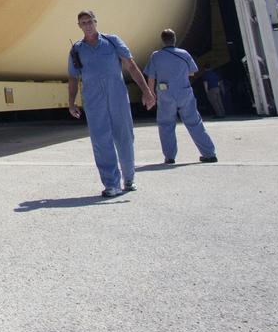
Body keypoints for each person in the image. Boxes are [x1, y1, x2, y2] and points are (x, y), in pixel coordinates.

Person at [67, 10, 156, 198]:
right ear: (79, 26)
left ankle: (129, 178)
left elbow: (131, 66)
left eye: (90, 21)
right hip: (93, 99)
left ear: (96, 22)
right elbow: (73, 77)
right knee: (100, 140)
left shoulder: (112, 41)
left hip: (117, 96)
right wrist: (72, 101)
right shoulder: (77, 49)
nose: (88, 25)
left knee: (125, 136)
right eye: (83, 23)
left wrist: (147, 91)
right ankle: (111, 184)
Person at [144, 29, 218, 164]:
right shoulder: (184, 54)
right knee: (194, 122)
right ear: (174, 39)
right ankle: (209, 153)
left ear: (162, 40)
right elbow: (192, 72)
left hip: (165, 93)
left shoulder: (156, 56)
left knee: (166, 124)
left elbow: (151, 77)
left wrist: (150, 94)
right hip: (184, 91)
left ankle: (170, 156)